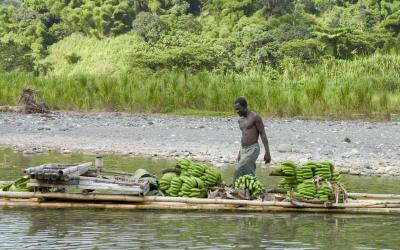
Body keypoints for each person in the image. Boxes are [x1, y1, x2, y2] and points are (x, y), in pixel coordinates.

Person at [233, 97, 271, 185]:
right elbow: (244, 136)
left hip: (253, 148)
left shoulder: (255, 117)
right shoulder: (240, 120)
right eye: (236, 109)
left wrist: (267, 152)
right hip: (243, 150)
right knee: (248, 172)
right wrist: (239, 152)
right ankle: (250, 190)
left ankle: (234, 187)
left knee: (238, 168)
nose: (237, 111)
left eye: (239, 109)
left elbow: (263, 134)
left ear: (245, 107)